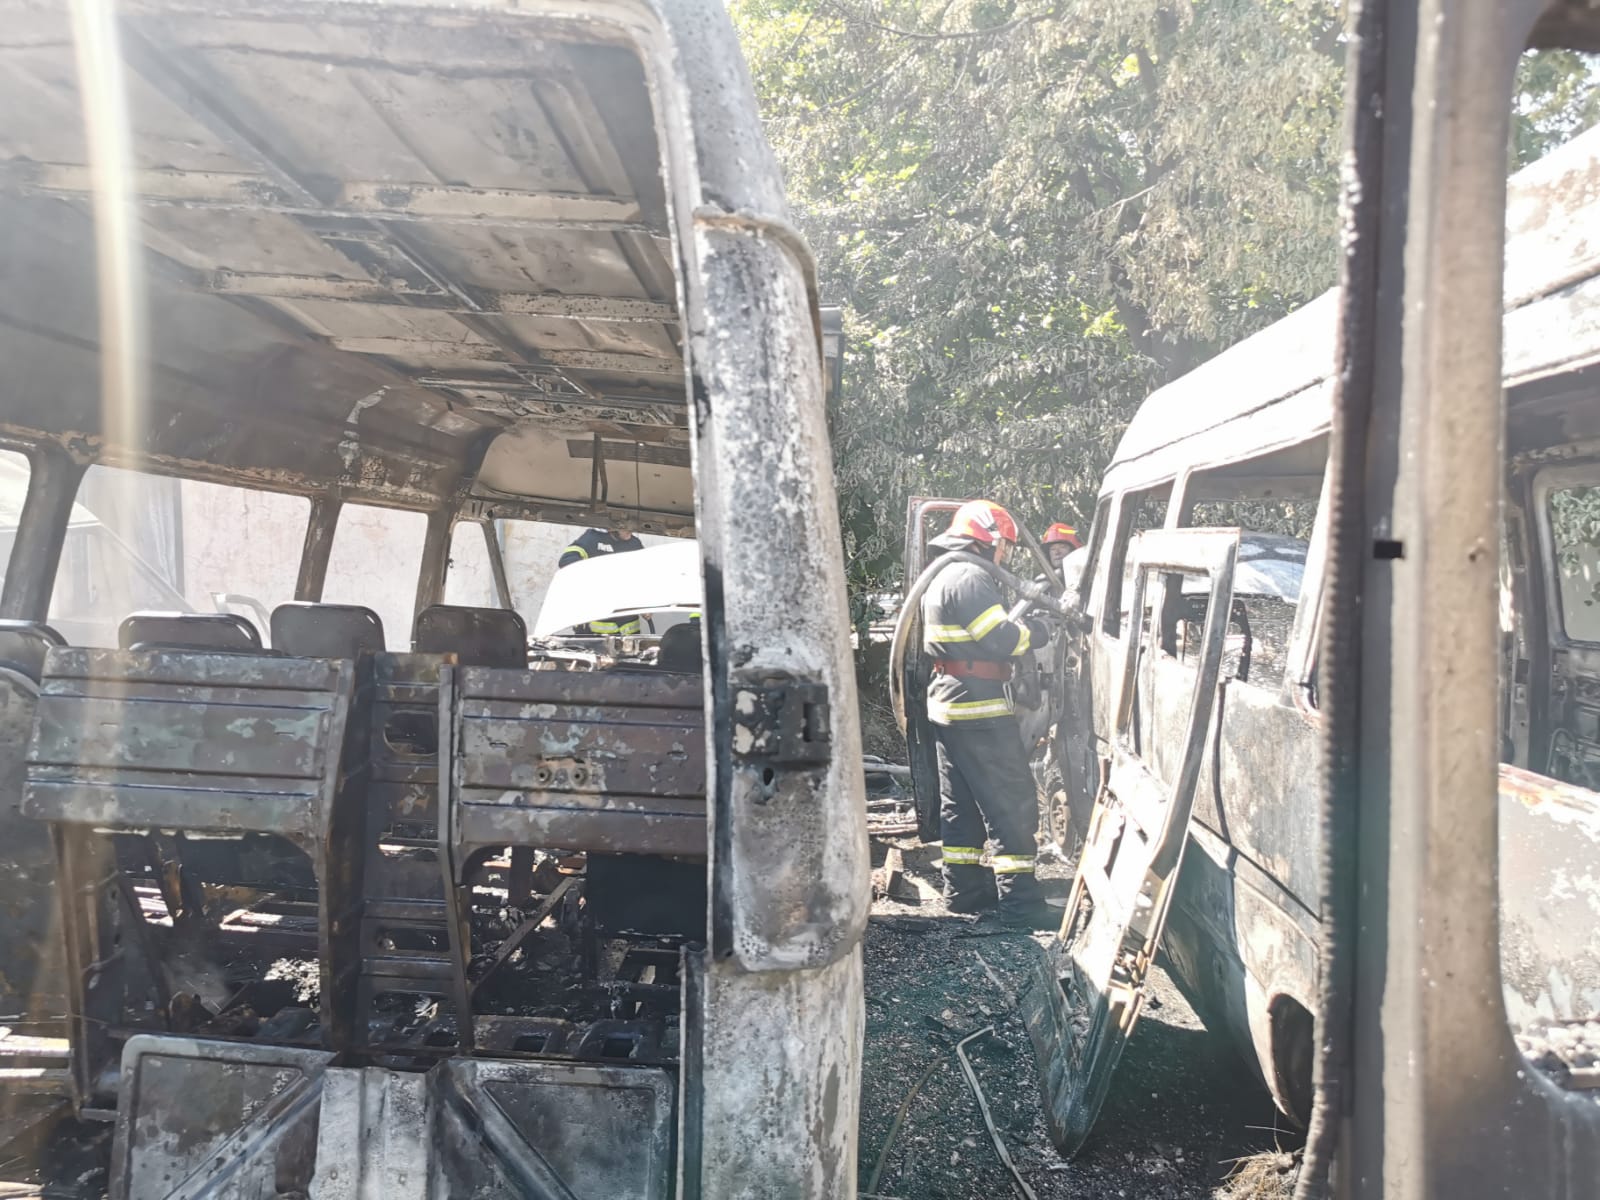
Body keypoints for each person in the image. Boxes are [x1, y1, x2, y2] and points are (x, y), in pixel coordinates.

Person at [921, 499, 1056, 926]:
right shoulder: (971, 577)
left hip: (949, 705)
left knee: (959, 804)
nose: (1006, 555)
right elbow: (1001, 639)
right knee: (1011, 801)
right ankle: (1022, 905)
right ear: (989, 539)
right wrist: (1039, 630)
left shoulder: (944, 574)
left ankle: (963, 892)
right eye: (1005, 546)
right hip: (977, 707)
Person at [557, 524, 645, 636]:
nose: (629, 534)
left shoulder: (635, 544)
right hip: (592, 634)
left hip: (628, 632)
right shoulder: (593, 538)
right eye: (626, 530)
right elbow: (567, 561)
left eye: (632, 530)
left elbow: (644, 577)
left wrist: (646, 605)